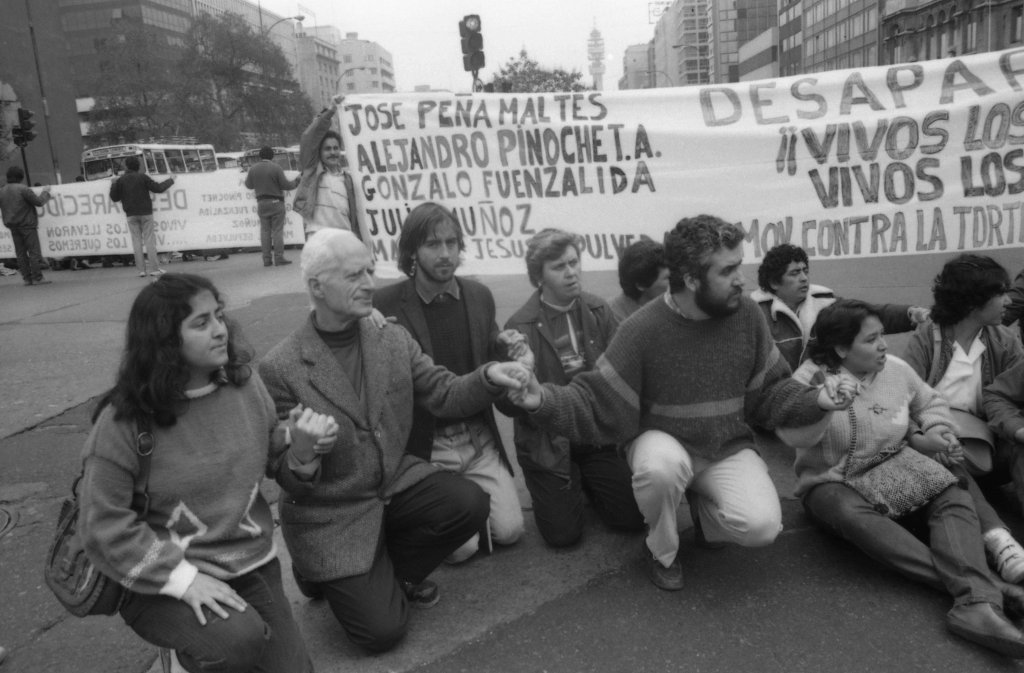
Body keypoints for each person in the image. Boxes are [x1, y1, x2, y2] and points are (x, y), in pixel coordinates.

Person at [507, 215, 852, 591]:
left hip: (724, 445)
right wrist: (539, 398)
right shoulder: (642, 329)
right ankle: (662, 550)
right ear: (691, 280)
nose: (742, 279)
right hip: (662, 443)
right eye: (729, 270)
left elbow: (770, 393)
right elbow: (594, 399)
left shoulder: (748, 316)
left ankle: (704, 509)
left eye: (740, 265)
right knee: (661, 469)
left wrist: (817, 399)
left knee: (762, 528)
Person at [258, 229, 530, 652]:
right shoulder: (280, 366)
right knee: (382, 634)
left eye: (369, 271)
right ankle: (322, 575)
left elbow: (444, 391)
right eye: (353, 276)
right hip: (335, 512)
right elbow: (285, 479)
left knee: (471, 503)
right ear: (316, 286)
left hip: (394, 483)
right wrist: (303, 453)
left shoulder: (392, 337)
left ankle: (386, 575)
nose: (369, 283)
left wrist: (489, 376)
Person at [78, 273, 336, 673]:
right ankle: (181, 660)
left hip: (251, 563)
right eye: (201, 323)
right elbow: (102, 526)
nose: (220, 331)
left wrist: (302, 448)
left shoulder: (245, 386)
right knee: (238, 643)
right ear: (164, 342)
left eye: (219, 316)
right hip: (162, 577)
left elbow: (275, 463)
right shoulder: (122, 422)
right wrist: (182, 580)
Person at [779, 299, 1024, 658]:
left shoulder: (894, 368)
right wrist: (821, 405)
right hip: (835, 479)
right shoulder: (811, 380)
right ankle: (990, 593)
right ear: (841, 348)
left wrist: (938, 429)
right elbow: (790, 436)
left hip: (895, 462)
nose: (883, 345)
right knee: (847, 512)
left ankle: (975, 600)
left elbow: (930, 402)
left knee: (951, 489)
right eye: (872, 339)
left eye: (882, 336)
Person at [374, 203, 524, 561]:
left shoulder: (478, 296)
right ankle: (438, 508)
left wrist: (508, 350)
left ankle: (468, 502)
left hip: (477, 436)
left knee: (511, 532)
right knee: (461, 550)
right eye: (432, 244)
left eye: (452, 243)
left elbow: (491, 359)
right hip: (427, 445)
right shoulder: (386, 304)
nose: (445, 254)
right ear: (411, 251)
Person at [503, 228, 643, 548]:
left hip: (595, 435)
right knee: (563, 536)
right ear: (538, 277)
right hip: (548, 441)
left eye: (574, 262)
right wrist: (517, 377)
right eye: (559, 267)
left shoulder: (598, 310)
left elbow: (624, 373)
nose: (571, 273)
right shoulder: (518, 326)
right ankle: (565, 482)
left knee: (633, 518)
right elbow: (507, 405)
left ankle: (589, 480)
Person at [903, 254, 1024, 583]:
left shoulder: (1004, 341)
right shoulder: (928, 338)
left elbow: (1009, 401)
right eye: (1000, 293)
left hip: (987, 448)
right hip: (937, 452)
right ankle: (999, 541)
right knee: (943, 460)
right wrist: (929, 437)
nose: (1008, 301)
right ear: (973, 302)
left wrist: (1016, 429)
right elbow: (901, 405)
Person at [751, 243, 929, 370]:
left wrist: (909, 314)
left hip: (821, 394)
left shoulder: (825, 302)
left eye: (805, 271)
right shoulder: (754, 313)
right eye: (795, 273)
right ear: (774, 282)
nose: (804, 278)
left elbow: (868, 316)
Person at [292, 95, 367, 242]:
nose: (333, 152)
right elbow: (309, 137)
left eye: (336, 148)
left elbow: (357, 214)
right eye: (327, 149)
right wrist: (331, 110)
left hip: (346, 239)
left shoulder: (348, 179)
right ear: (318, 152)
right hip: (319, 238)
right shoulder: (313, 171)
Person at [109, 156, 175, 277]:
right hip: (146, 213)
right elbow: (158, 188)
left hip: (131, 214)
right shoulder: (142, 177)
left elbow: (115, 198)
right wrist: (171, 180)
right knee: (149, 240)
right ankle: (154, 268)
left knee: (136, 242)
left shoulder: (121, 180)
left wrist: (113, 184)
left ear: (126, 166)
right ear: (138, 166)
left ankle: (141, 270)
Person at [244, 146, 300, 268]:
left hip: (261, 203)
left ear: (260, 156)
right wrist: (297, 181)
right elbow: (286, 185)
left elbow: (248, 185)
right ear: (272, 156)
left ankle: (266, 259)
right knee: (277, 231)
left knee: (265, 231)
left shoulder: (253, 169)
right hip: (276, 202)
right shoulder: (276, 168)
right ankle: (279, 258)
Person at [0, 165, 53, 285]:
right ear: (21, 177)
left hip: (12, 225)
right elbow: (39, 202)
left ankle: (27, 278)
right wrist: (46, 192)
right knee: (33, 252)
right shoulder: (23, 189)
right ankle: (37, 277)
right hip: (27, 224)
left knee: (20, 253)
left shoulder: (2, 191)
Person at [607, 238, 670, 322]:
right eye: (668, 278)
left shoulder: (675, 308)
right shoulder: (610, 318)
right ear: (641, 285)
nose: (677, 281)